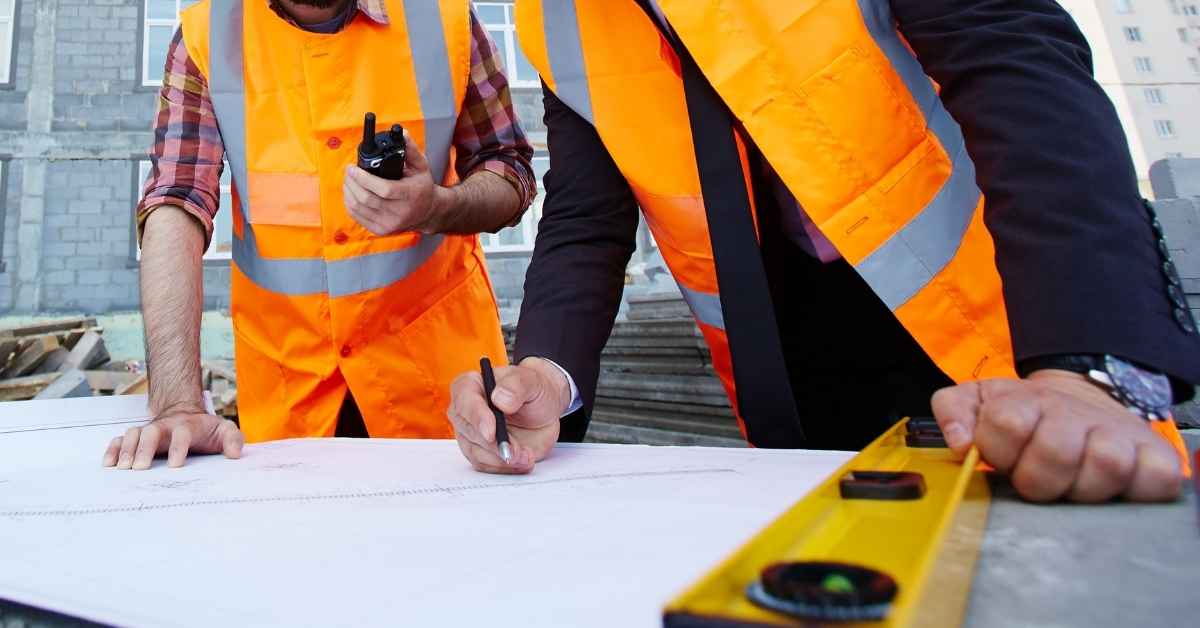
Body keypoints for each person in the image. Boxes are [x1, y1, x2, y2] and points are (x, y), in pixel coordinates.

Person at [446, 0, 1200, 503]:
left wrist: (1085, 365)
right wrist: (546, 373)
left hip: (1009, 339)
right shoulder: (558, 17)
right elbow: (585, 215)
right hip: (789, 371)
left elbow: (1013, 59)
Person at [105, 0, 537, 470]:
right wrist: (177, 404)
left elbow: (508, 167)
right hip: (291, 404)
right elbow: (175, 203)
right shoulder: (206, 36)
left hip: (444, 396)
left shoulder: (444, 17)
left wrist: (437, 207)